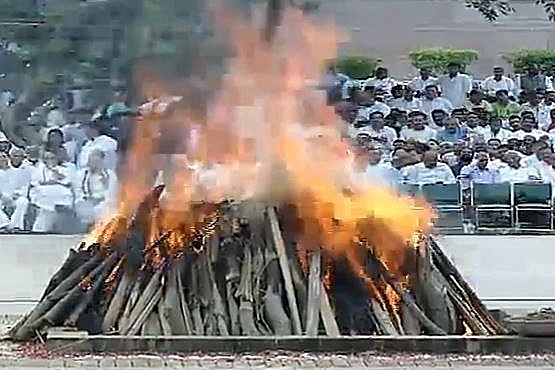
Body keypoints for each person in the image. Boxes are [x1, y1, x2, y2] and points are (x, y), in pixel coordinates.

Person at [29, 150, 77, 232]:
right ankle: (40, 229)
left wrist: (57, 175)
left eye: (52, 158)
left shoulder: (64, 169)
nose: (50, 160)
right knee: (45, 206)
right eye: (47, 158)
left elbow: (68, 182)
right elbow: (35, 182)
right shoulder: (39, 169)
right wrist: (47, 182)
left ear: (57, 159)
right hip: (44, 192)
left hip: (60, 192)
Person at [75, 150, 118, 229]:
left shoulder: (110, 174)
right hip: (87, 201)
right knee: (83, 207)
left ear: (101, 161)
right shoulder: (81, 174)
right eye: (91, 160)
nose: (94, 163)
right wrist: (88, 199)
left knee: (106, 208)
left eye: (96, 161)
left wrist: (101, 198)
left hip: (104, 201)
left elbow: (112, 191)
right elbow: (78, 190)